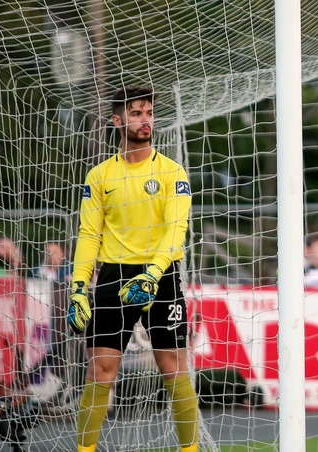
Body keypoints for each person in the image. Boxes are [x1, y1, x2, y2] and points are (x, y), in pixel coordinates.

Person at [66, 86, 198, 452]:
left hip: (161, 278)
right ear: (118, 119)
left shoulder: (173, 172)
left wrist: (152, 274)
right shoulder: (100, 176)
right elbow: (89, 234)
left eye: (149, 113)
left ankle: (191, 451)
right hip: (114, 277)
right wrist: (79, 287)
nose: (145, 120)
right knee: (99, 372)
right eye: (137, 113)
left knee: (173, 370)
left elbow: (177, 231)